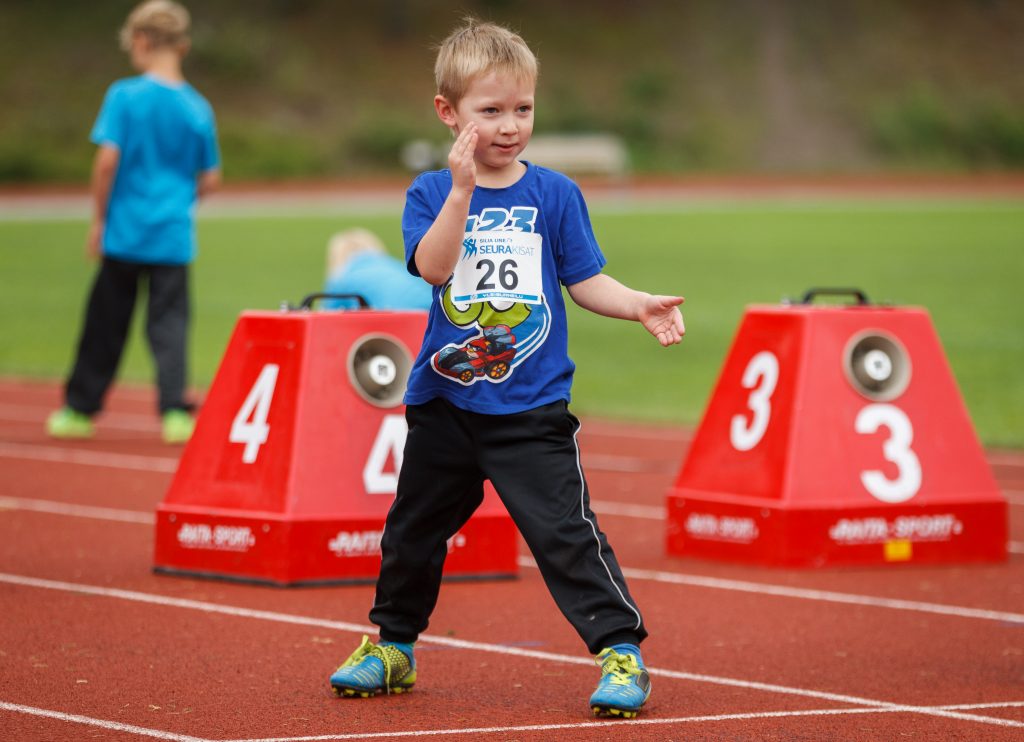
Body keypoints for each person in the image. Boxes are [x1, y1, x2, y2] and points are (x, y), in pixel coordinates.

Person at [328, 19, 684, 719]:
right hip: (446, 405)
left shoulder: (554, 195)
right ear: (448, 113)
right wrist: (462, 191)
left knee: (565, 534)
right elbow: (433, 268)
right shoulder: (431, 193)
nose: (510, 125)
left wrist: (637, 303)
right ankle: (393, 645)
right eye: (490, 111)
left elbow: (585, 280)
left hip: (530, 408)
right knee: (411, 533)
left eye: (522, 109)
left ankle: (621, 652)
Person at [46, 0, 220, 445]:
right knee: (170, 327)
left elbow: (107, 162)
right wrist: (179, 200)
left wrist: (99, 220)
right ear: (181, 47)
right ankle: (174, 415)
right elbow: (211, 179)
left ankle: (78, 411)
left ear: (140, 41)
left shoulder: (124, 95)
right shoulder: (198, 108)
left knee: (105, 324)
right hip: (172, 238)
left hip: (124, 234)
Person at [321, 228, 432, 311]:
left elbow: (327, 317)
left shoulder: (342, 278)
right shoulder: (395, 265)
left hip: (396, 317)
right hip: (431, 311)